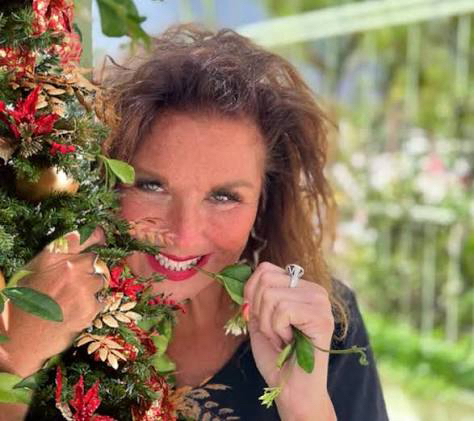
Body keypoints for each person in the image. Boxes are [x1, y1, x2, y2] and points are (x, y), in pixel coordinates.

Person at [0, 24, 389, 421]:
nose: (183, 235)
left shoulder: (321, 325)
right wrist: (18, 356)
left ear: (264, 202)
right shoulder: (35, 300)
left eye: (224, 197)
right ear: (107, 182)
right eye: (152, 186)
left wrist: (303, 404)